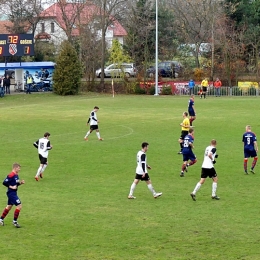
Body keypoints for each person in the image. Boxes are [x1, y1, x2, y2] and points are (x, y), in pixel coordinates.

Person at [0, 163, 25, 228]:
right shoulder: (11, 175)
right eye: (19, 168)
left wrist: (20, 183)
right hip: (11, 193)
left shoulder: (16, 175)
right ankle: (15, 222)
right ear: (15, 168)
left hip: (13, 193)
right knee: (19, 205)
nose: (19, 169)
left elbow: (16, 184)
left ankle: (1, 219)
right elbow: (4, 182)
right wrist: (11, 186)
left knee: (9, 206)